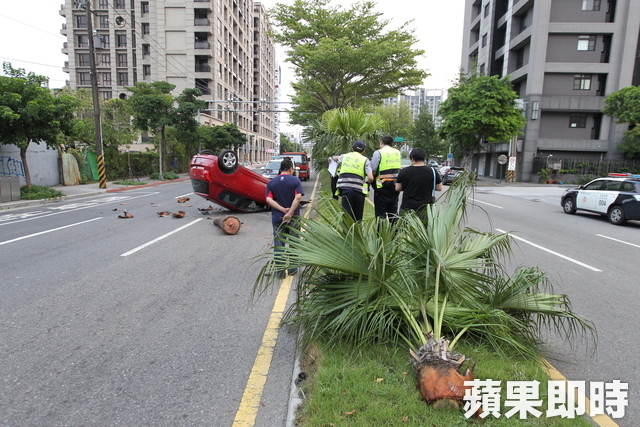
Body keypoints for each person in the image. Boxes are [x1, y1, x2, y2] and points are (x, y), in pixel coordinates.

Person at [265, 157, 304, 279]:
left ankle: (280, 272)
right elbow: (298, 198)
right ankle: (292, 270)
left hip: (277, 218)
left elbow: (268, 199)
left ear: (280, 169)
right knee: (293, 243)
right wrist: (290, 213)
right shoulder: (295, 181)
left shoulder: (272, 183)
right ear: (291, 169)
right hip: (293, 218)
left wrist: (282, 210)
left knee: (279, 244)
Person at [395, 148, 443, 221]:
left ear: (412, 159)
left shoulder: (404, 171)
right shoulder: (432, 171)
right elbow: (439, 188)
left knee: (404, 230)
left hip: (407, 208)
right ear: (423, 158)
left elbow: (397, 188)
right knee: (423, 231)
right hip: (425, 209)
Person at [333, 140, 374, 221]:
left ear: (352, 148)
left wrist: (332, 158)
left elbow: (335, 158)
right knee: (357, 218)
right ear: (363, 151)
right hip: (359, 191)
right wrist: (366, 182)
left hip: (346, 190)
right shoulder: (365, 160)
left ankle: (346, 233)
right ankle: (357, 232)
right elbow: (371, 178)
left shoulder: (345, 156)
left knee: (347, 217)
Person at [370, 135, 402, 220]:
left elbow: (373, 170)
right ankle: (395, 232)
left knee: (381, 214)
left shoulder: (378, 153)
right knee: (393, 213)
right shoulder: (397, 152)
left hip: (382, 187)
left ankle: (381, 232)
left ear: (381, 142)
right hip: (395, 187)